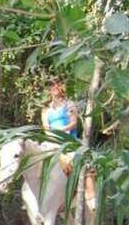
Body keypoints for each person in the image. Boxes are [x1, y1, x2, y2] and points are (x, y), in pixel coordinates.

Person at [41, 76, 96, 206]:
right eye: (52, 85)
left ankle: (90, 194)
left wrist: (61, 130)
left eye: (57, 84)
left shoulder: (69, 105)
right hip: (52, 140)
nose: (55, 87)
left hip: (68, 139)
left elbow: (73, 123)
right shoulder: (46, 110)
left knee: (84, 160)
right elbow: (46, 128)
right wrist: (52, 135)